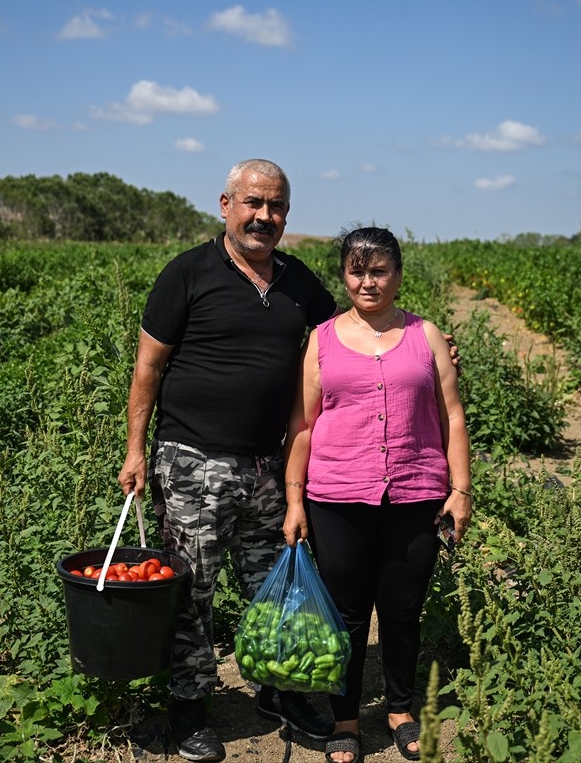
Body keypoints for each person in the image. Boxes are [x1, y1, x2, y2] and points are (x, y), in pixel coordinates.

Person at [116, 159, 339, 762]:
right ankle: (189, 707)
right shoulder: (187, 273)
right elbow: (148, 369)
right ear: (226, 204)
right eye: (254, 203)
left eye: (277, 207)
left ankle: (279, 689)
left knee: (277, 585)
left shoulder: (299, 282)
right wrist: (136, 451)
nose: (265, 217)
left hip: (269, 467)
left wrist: (420, 338)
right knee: (191, 592)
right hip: (193, 462)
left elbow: (346, 336)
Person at [282, 226, 473, 763]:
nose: (368, 282)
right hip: (336, 496)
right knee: (345, 612)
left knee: (402, 608)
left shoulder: (426, 335)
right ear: (344, 275)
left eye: (379, 270)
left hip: (416, 492)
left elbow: (451, 415)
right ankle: (345, 719)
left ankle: (400, 709)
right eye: (357, 271)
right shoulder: (321, 339)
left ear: (398, 275)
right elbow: (302, 425)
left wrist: (461, 489)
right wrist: (295, 500)